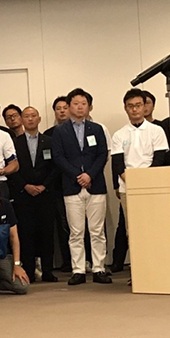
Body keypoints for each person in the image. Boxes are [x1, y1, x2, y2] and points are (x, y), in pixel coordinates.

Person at [51, 89, 111, 285]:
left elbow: (102, 154)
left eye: (83, 104)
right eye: (75, 104)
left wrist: (89, 175)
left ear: (89, 107)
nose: (79, 107)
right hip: (71, 185)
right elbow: (58, 157)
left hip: (95, 185)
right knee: (76, 231)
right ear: (69, 107)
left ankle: (99, 268)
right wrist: (78, 175)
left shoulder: (97, 129)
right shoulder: (60, 131)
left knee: (97, 230)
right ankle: (78, 270)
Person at [8, 106, 59, 282]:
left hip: (45, 194)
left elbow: (55, 167)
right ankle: (29, 270)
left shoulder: (49, 141)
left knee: (47, 232)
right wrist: (25, 186)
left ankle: (47, 270)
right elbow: (12, 169)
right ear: (22, 120)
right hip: (24, 194)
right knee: (26, 233)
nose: (30, 119)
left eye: (33, 116)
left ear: (39, 119)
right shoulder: (14, 143)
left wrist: (44, 186)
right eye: (26, 116)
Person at [111, 89, 169, 227]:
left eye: (138, 105)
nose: (134, 109)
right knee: (132, 228)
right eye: (130, 106)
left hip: (152, 185)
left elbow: (159, 160)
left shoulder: (157, 130)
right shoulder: (119, 135)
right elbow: (118, 164)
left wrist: (143, 181)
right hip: (127, 188)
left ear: (144, 106)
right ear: (125, 108)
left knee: (154, 225)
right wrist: (133, 182)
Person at [44, 96, 71, 272]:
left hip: (77, 182)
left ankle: (88, 260)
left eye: (64, 107)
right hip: (56, 185)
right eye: (58, 108)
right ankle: (67, 261)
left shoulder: (79, 130)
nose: (61, 111)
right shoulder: (48, 134)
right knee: (62, 224)